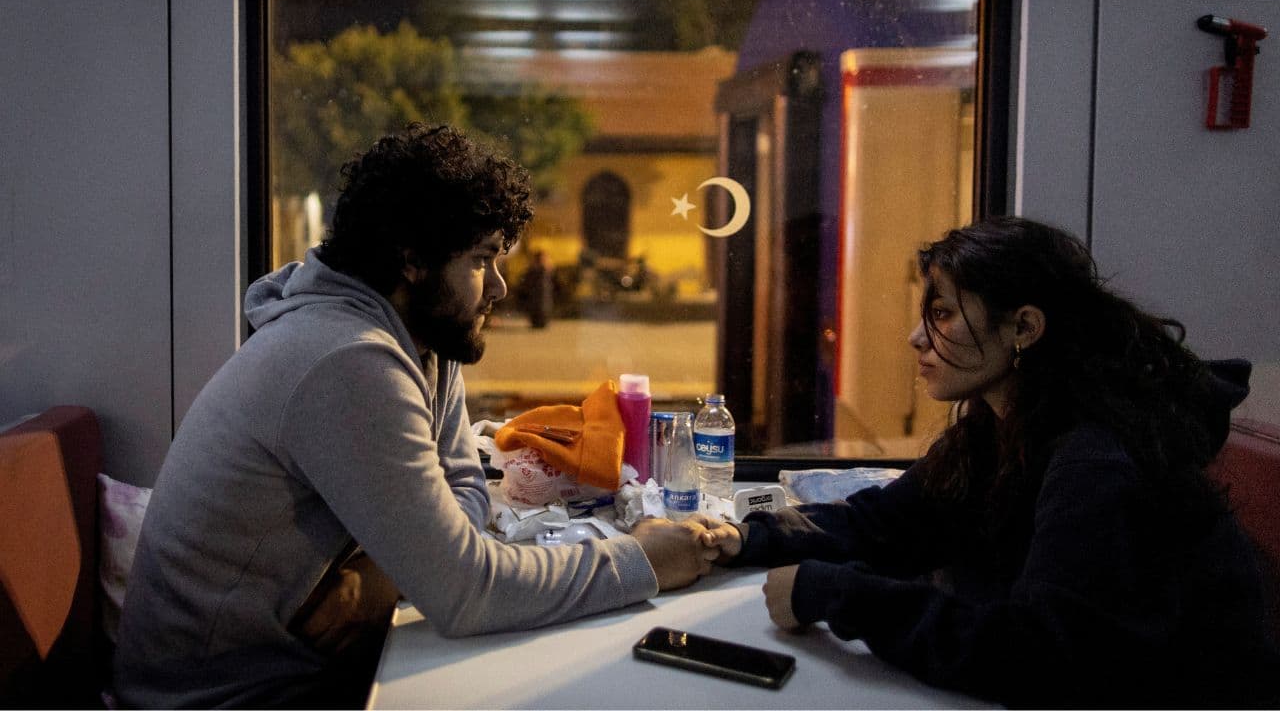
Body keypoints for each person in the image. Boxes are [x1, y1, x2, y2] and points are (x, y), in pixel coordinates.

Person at [113, 123, 718, 708]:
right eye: (483, 260)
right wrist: (643, 562)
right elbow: (466, 593)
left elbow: (462, 485)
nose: (502, 288)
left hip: (310, 673)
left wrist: (389, 571)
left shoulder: (421, 337)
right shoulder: (348, 361)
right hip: (234, 699)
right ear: (412, 259)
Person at [702, 217, 1279, 707]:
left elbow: (1037, 656)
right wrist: (740, 538)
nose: (916, 338)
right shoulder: (1004, 424)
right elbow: (893, 521)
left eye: (943, 314)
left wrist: (834, 594)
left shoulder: (1098, 459)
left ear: (1024, 328)